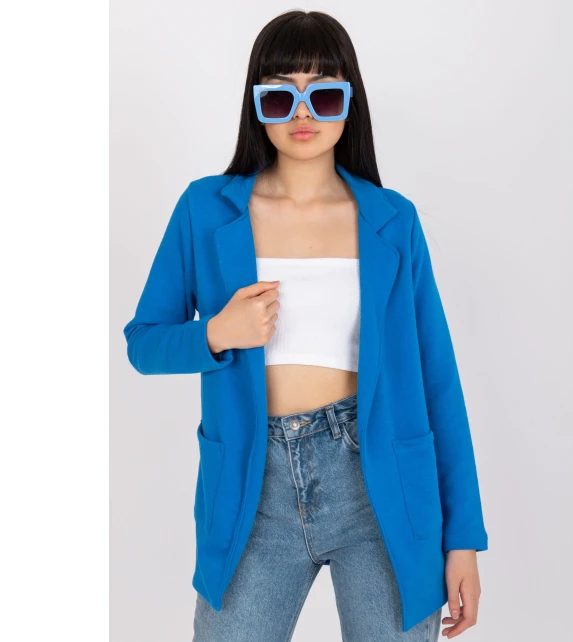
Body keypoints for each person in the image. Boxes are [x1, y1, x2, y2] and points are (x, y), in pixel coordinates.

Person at [123, 9, 488, 642]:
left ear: (349, 103)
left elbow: (438, 382)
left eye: (322, 95)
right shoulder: (205, 209)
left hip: (379, 488)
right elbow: (143, 343)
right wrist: (217, 333)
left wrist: (463, 539)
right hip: (251, 487)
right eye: (278, 95)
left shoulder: (391, 220)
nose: (301, 113)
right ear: (256, 106)